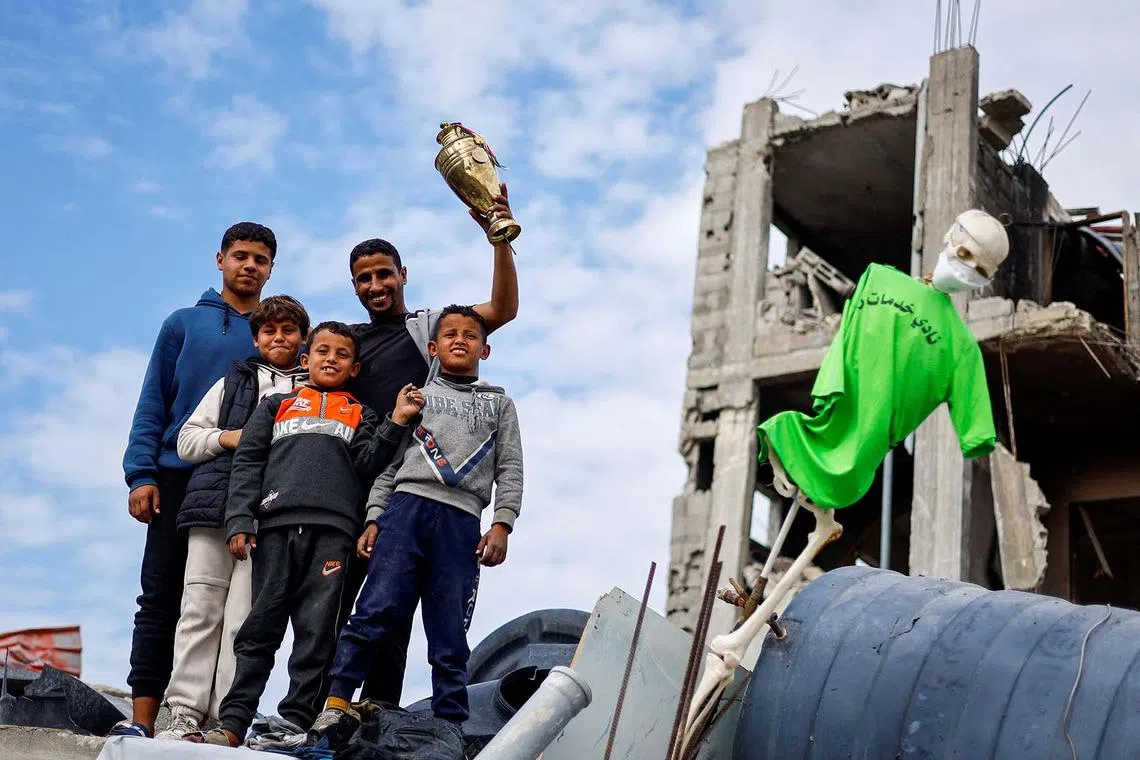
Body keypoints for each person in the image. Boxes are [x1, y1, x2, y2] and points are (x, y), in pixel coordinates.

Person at [203, 322, 423, 748]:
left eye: (341, 354)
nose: (330, 359)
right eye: (322, 351)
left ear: (354, 368)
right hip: (273, 530)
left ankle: (296, 722)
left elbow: (369, 464)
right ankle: (232, 723)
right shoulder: (275, 406)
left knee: (318, 632)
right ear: (306, 359)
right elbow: (248, 462)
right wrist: (240, 520)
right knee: (259, 629)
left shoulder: (363, 414)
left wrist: (395, 420)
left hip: (334, 534)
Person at [342, 184, 520, 704]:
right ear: (354, 287)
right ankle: (324, 712)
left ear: (403, 275)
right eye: (364, 279)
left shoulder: (430, 332)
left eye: (384, 274)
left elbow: (502, 309)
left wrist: (499, 237)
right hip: (355, 485)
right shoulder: (347, 343)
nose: (376, 285)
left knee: (398, 617)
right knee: (347, 612)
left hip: (414, 492)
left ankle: (378, 714)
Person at [312, 304, 524, 737]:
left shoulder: (500, 404)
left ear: (486, 349)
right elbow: (390, 466)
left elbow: (511, 468)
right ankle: (335, 703)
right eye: (450, 334)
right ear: (433, 347)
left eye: (470, 335)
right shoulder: (416, 397)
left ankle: (449, 725)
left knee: (449, 631)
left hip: (462, 524)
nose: (460, 340)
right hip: (406, 511)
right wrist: (374, 518)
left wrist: (502, 523)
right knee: (374, 611)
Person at [112, 222, 277, 738]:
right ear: (220, 260)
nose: (250, 265)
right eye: (241, 256)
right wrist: (141, 473)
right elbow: (152, 400)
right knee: (162, 597)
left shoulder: (281, 337)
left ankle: (217, 723)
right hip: (178, 474)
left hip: (250, 486)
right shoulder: (183, 323)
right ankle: (143, 721)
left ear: (271, 269)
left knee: (236, 608)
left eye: (260, 259)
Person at [154, 296, 310, 741]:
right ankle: (183, 711)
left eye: (288, 331)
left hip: (271, 517)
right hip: (214, 508)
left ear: (303, 337)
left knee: (245, 618)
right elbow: (186, 440)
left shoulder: (313, 390)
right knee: (199, 609)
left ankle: (227, 718)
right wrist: (234, 437)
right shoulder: (233, 382)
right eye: (269, 331)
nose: (278, 338)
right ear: (257, 338)